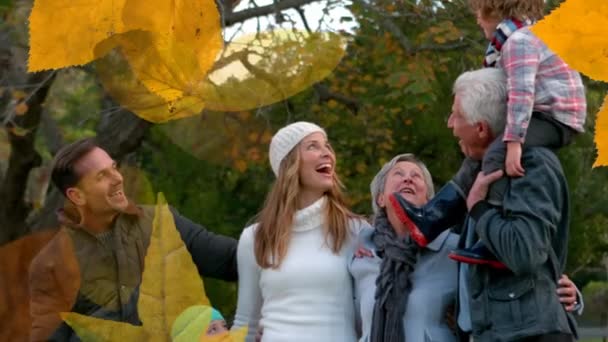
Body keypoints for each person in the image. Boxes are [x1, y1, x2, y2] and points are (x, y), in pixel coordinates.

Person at [390, 0, 587, 268]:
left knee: (496, 152)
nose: (477, 21)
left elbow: (521, 93)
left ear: (493, 10)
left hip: (555, 117)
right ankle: (431, 219)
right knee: (476, 159)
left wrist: (514, 141)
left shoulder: (519, 42)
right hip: (539, 112)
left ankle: (493, 240)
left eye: (478, 14)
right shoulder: (513, 40)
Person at [28, 138, 238, 342]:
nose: (118, 178)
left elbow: (233, 259)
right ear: (77, 196)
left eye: (114, 167)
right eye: (102, 175)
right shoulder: (50, 265)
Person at [435, 68, 576, 341]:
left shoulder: (532, 164)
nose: (451, 123)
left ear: (481, 128)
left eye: (457, 115)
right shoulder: (484, 172)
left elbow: (524, 252)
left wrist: (478, 207)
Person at [231, 121, 370, 342]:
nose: (327, 154)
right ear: (290, 164)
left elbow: (372, 313)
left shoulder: (355, 230)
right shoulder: (256, 237)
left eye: (327, 146)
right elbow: (245, 324)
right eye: (313, 146)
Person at [349, 153, 460, 342]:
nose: (407, 178)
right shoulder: (361, 252)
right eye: (398, 174)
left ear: (428, 200)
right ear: (380, 199)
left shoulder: (452, 248)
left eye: (416, 176)